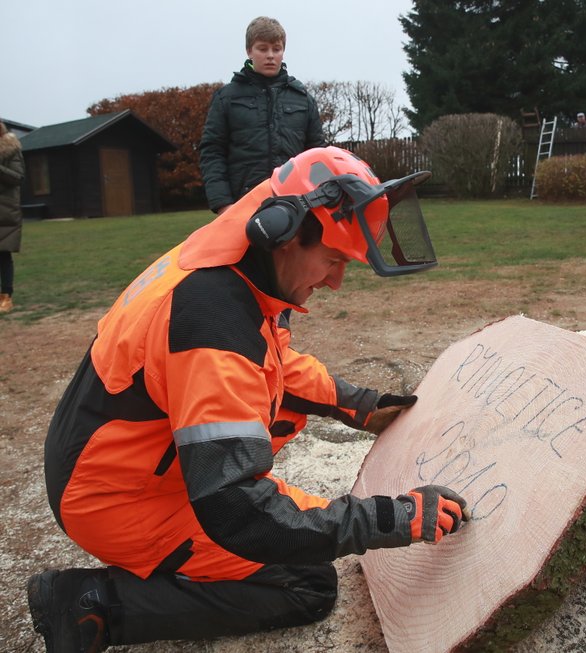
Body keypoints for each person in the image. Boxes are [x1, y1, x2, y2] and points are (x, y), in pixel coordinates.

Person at [27, 146, 469, 651]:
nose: (335, 281)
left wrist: (359, 404)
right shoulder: (213, 322)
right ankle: (91, 602)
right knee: (307, 584)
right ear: (283, 232)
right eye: (331, 260)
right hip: (118, 498)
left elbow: (270, 366)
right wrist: (389, 518)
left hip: (114, 461)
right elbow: (237, 509)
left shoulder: (232, 265)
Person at [199, 16, 325, 215]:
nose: (270, 55)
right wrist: (223, 204)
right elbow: (212, 153)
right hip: (242, 206)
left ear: (283, 51)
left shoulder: (303, 99)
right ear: (249, 51)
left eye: (276, 49)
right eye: (262, 48)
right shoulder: (227, 98)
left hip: (296, 207)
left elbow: (317, 155)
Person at [0, 120, 25, 313]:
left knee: (3, 254)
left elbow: (17, 176)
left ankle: (6, 296)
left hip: (5, 209)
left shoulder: (11, 150)